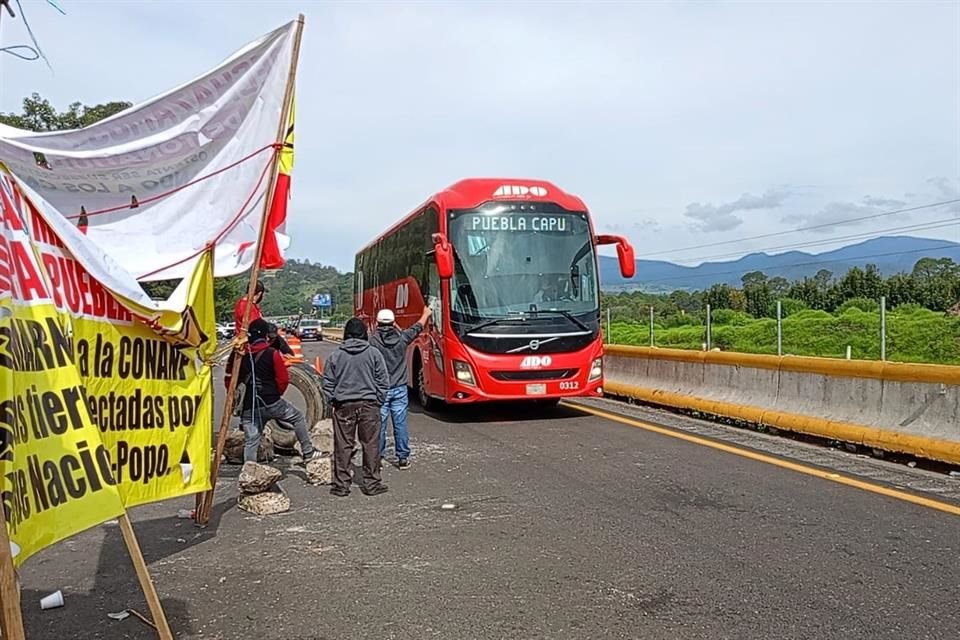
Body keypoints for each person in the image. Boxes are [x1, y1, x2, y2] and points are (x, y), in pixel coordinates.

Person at [225, 318, 320, 464]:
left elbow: (229, 379)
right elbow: (283, 379)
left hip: (249, 406)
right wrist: (276, 394)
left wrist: (235, 398)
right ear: (265, 335)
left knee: (251, 441)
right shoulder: (272, 353)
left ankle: (249, 471)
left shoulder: (239, 355)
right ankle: (308, 452)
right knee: (297, 418)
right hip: (272, 403)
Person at [321, 317, 389, 497]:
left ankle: (341, 485)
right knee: (371, 445)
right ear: (364, 333)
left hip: (343, 405)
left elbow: (327, 382)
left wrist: (333, 401)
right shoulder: (374, 354)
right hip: (369, 405)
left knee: (343, 445)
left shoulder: (336, 355)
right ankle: (372, 483)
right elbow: (383, 381)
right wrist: (378, 401)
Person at [370, 305, 431, 468]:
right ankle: (402, 458)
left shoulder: (373, 342)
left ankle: (379, 458)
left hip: (380, 389)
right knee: (400, 424)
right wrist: (425, 313)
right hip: (399, 388)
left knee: (380, 425)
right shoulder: (402, 338)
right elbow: (417, 328)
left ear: (377, 323)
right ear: (393, 322)